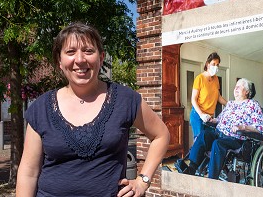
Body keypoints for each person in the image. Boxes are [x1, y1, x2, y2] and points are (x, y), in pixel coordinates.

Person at [16, 22, 170, 197]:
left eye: (88, 51)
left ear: (101, 57)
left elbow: (161, 135)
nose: (80, 59)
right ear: (59, 61)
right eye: (70, 52)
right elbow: (28, 172)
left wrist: (143, 180)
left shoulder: (125, 99)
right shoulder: (41, 108)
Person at [186, 78, 263, 179]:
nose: (236, 88)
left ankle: (212, 179)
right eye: (235, 86)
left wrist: (242, 127)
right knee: (204, 134)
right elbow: (220, 119)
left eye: (239, 87)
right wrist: (213, 120)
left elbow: (258, 128)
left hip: (235, 138)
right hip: (219, 134)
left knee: (217, 144)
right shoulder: (230, 104)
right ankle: (191, 169)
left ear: (247, 91)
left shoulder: (253, 105)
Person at [190, 52, 227, 140]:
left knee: (209, 141)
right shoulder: (200, 78)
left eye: (217, 65)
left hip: (209, 117)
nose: (216, 67)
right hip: (198, 115)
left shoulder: (216, 79)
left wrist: (230, 104)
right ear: (207, 64)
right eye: (213, 64)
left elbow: (218, 97)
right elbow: (193, 100)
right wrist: (201, 114)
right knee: (199, 143)